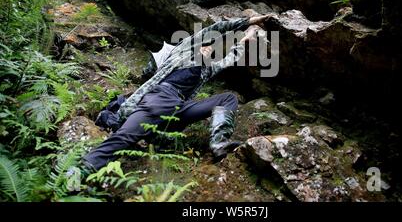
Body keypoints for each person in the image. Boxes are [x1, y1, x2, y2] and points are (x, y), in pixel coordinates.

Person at [81, 15, 273, 173]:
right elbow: (217, 27)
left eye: (210, 50)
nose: (207, 49)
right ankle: (84, 168)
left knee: (228, 98)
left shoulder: (206, 70)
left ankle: (219, 142)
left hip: (179, 109)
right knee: (125, 136)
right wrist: (249, 22)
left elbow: (231, 58)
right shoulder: (183, 52)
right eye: (204, 46)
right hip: (160, 98)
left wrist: (245, 40)